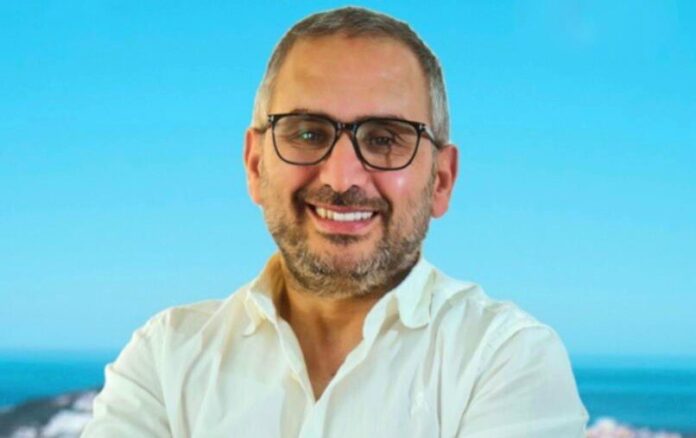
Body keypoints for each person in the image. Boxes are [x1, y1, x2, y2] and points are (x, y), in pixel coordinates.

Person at [82, 6, 588, 438]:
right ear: (255, 165)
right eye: (307, 133)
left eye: (385, 138)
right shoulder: (165, 358)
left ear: (441, 180)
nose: (342, 177)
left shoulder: (506, 359)